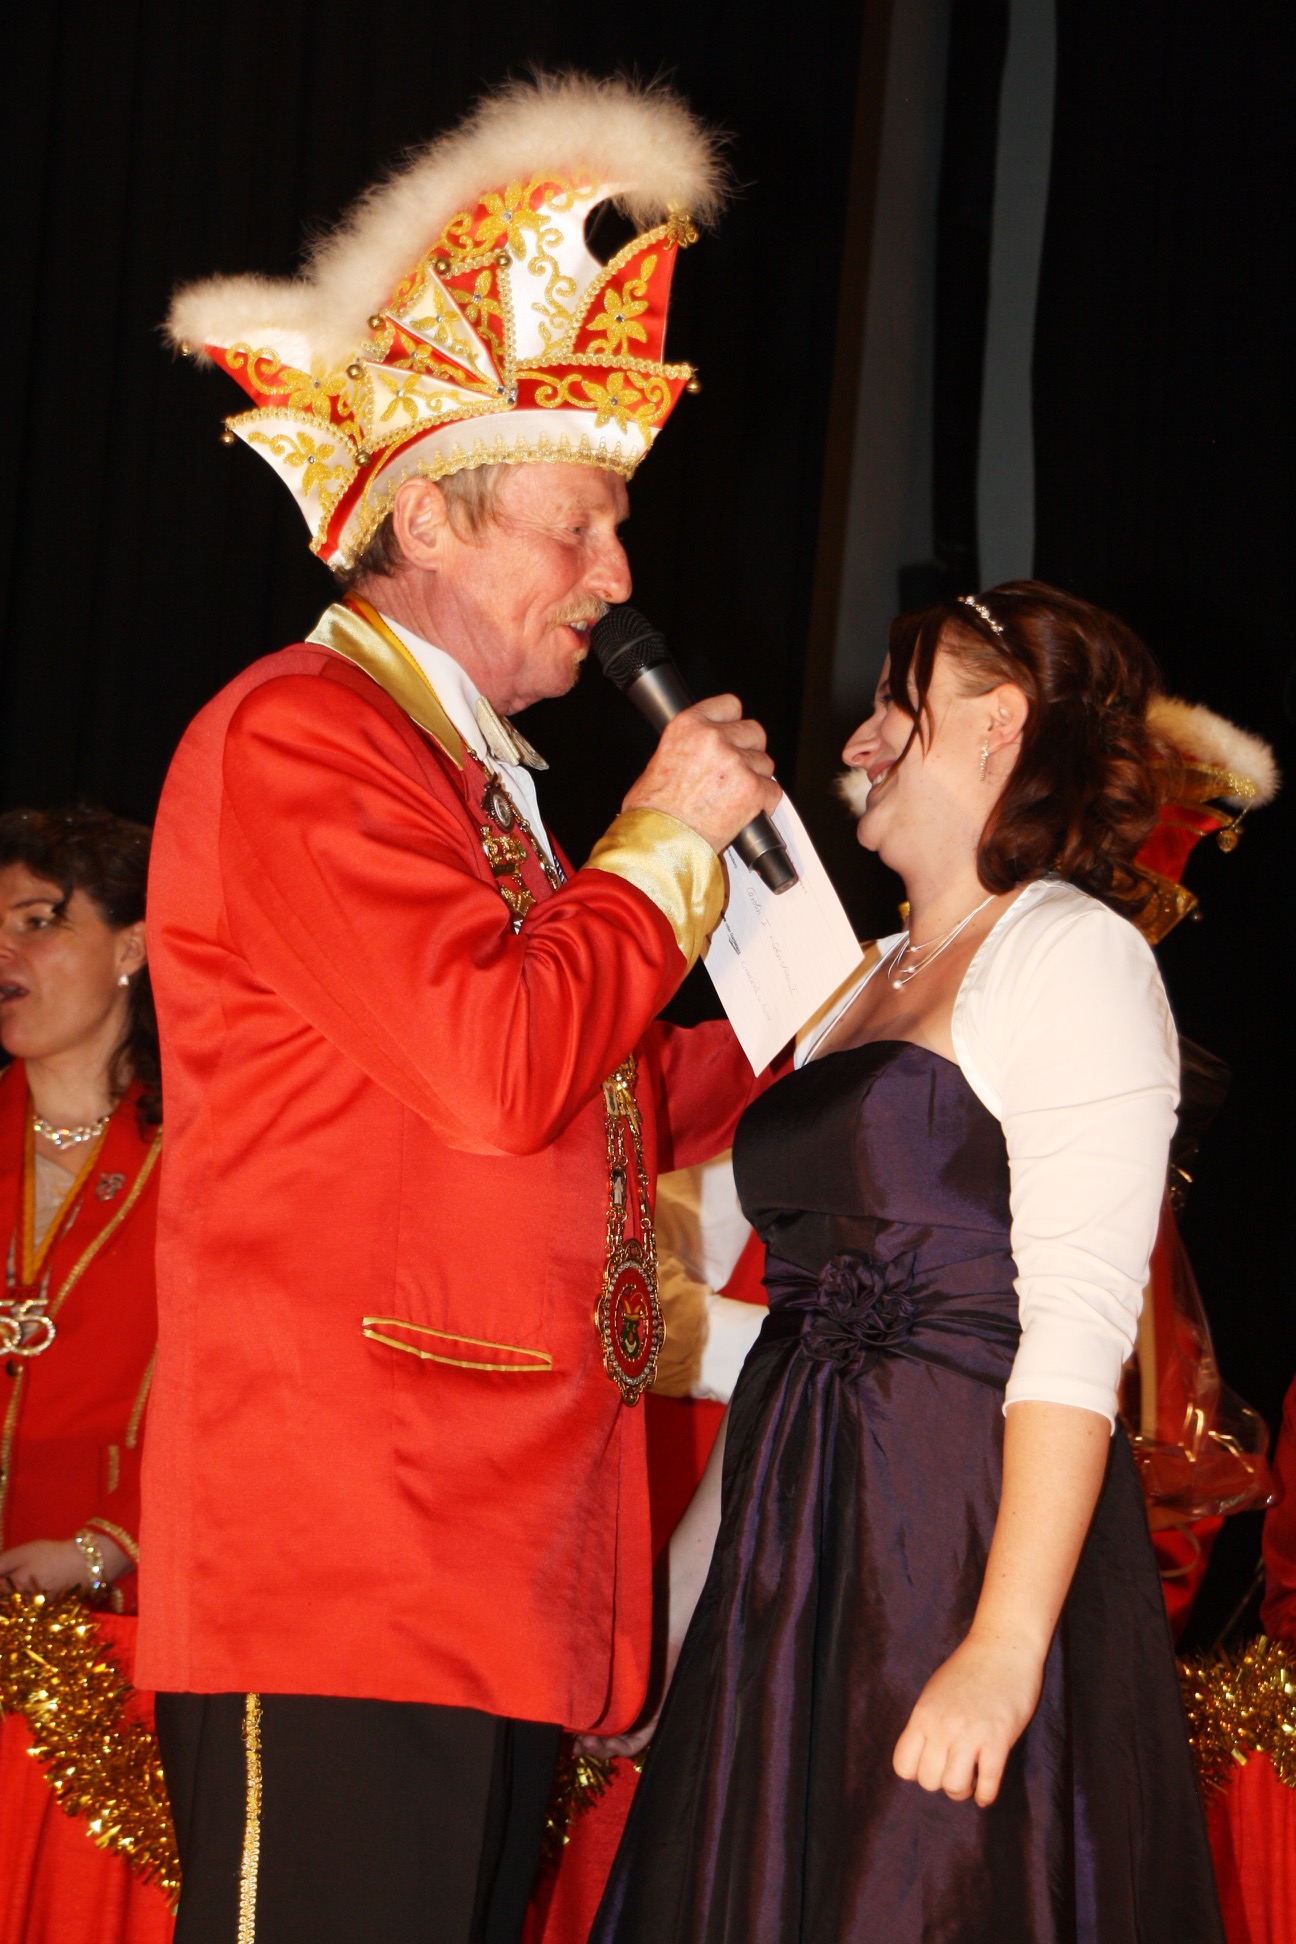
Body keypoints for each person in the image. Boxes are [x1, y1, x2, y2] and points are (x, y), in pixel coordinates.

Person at [140, 73, 780, 1944]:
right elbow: (501, 1064)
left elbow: (591, 1088)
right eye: (581, 525)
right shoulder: (300, 734)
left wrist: (835, 1018)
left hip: (486, 1565)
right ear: (426, 518)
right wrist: (661, 842)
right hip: (352, 1566)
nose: (619, 575)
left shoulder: (465, 776)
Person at [591, 582, 1224, 1941]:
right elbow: (802, 1339)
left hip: (956, 1540)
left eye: (898, 703)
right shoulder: (859, 980)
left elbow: (1077, 1331)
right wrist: (680, 1613)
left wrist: (1002, 1647)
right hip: (795, 1551)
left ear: (1000, 724)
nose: (860, 740)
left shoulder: (1072, 954)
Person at [0, 805, 172, 1944]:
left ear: (133, 949)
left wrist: (106, 1546)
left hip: (120, 1651)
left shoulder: (219, 1154)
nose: (4, 955)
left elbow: (261, 1398)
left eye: (36, 922)